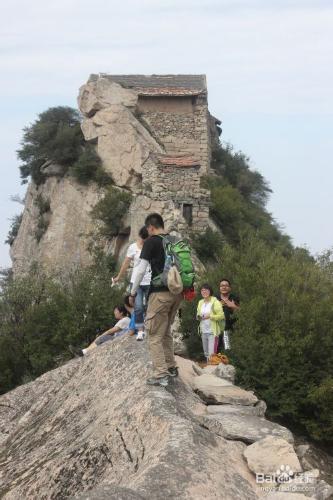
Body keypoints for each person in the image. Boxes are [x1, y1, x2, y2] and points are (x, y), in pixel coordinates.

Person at [129, 213, 183, 387]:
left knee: (153, 334)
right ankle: (171, 367)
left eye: (148, 229)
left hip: (160, 294)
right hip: (176, 293)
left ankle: (161, 374)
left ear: (150, 227)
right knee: (165, 330)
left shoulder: (151, 242)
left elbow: (140, 269)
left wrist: (133, 291)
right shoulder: (174, 240)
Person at [113, 227, 151, 340]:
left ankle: (149, 328)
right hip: (136, 282)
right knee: (138, 307)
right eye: (145, 238)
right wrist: (119, 277)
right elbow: (126, 263)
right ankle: (140, 330)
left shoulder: (151, 246)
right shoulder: (132, 248)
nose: (146, 240)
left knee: (150, 307)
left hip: (150, 281)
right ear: (141, 236)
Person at [197, 284, 224, 363]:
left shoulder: (215, 302)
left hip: (213, 332)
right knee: (206, 353)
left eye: (206, 290)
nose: (204, 291)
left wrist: (210, 316)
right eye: (202, 290)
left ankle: (211, 372)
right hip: (203, 331)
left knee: (212, 354)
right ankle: (209, 371)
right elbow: (198, 314)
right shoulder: (200, 302)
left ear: (210, 291)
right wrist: (198, 317)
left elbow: (221, 316)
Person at [217, 278, 240, 351]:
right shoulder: (215, 298)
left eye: (226, 285)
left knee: (227, 350)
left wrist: (233, 306)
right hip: (216, 330)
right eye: (222, 285)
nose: (224, 287)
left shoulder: (234, 298)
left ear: (230, 288)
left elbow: (243, 312)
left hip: (229, 330)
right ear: (219, 288)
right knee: (216, 351)